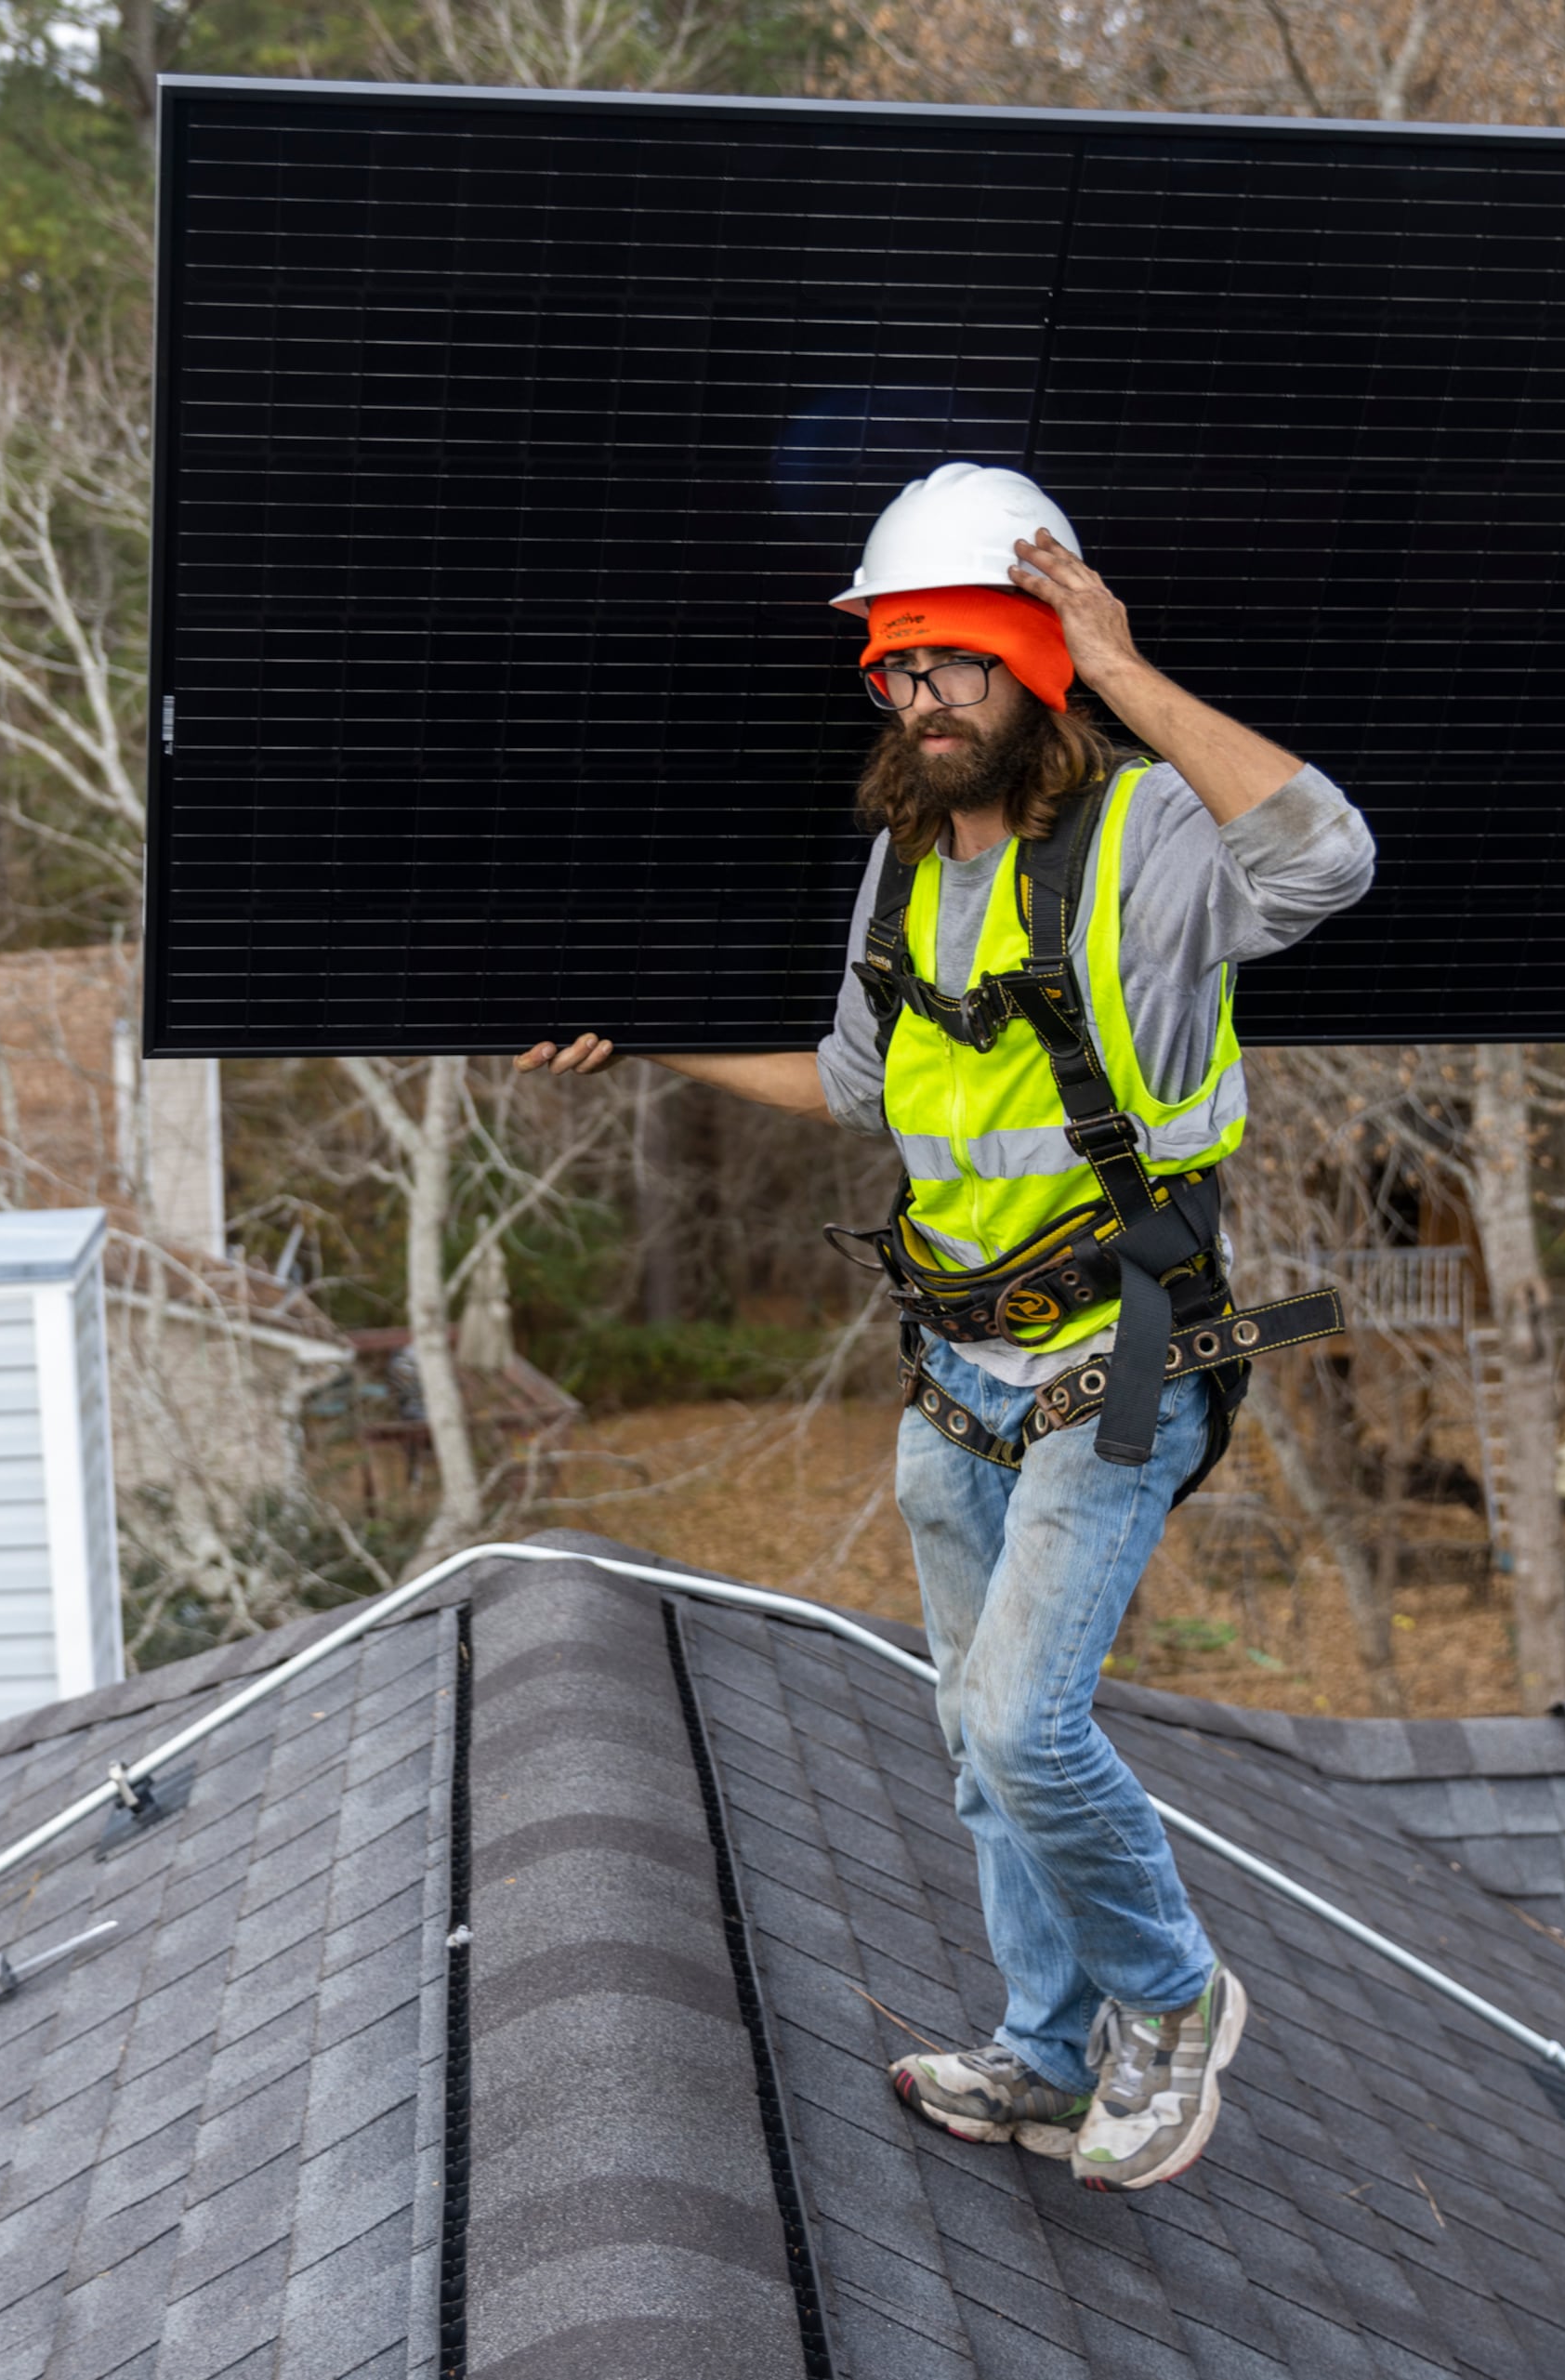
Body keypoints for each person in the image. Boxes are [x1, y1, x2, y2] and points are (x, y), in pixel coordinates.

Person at [519, 462, 1374, 2193]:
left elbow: (1330, 859)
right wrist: (646, 1038)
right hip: (955, 1371)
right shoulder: (903, 873)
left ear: (1028, 666)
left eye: (950, 665)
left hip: (1124, 1351)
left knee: (1027, 1727)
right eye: (894, 673)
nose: (916, 701)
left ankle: (1175, 1998)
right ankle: (1050, 2053)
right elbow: (855, 1082)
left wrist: (1121, 662)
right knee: (975, 1747)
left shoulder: (1145, 845)